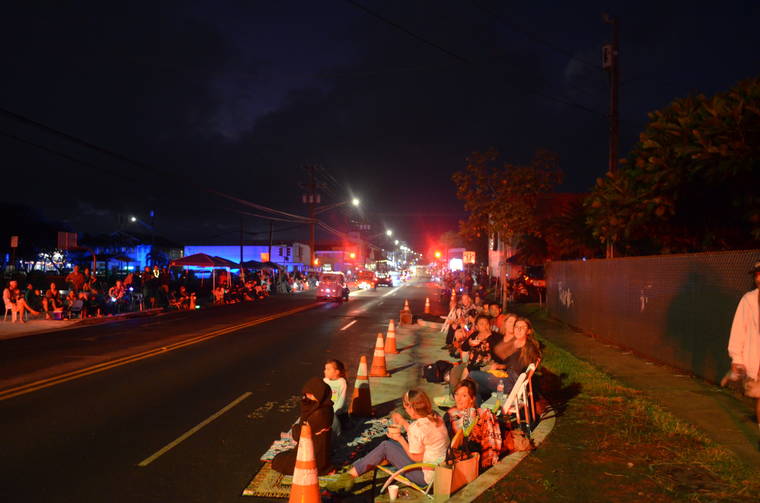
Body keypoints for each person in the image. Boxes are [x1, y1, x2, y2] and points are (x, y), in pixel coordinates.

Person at [328, 388, 448, 491]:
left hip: (425, 477)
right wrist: (402, 422)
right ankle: (362, 466)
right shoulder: (435, 416)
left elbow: (416, 457)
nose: (405, 409)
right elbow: (422, 436)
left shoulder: (416, 428)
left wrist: (400, 438)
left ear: (410, 407)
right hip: (440, 471)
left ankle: (349, 477)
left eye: (405, 406)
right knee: (389, 444)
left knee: (386, 446)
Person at [725, 261, 760, 441]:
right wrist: (737, 357)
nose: (758, 278)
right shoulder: (749, 299)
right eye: (756, 275)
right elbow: (739, 329)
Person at [468, 317, 542, 401]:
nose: (519, 329)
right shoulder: (514, 344)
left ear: (528, 331)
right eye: (517, 327)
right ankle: (480, 412)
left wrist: (501, 368)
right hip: (506, 378)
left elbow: (517, 369)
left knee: (472, 374)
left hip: (511, 384)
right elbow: (508, 363)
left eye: (523, 327)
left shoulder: (529, 348)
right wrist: (500, 366)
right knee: (474, 388)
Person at [272, 377, 334, 476]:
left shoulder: (320, 414)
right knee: (281, 457)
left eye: (311, 394)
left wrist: (295, 427)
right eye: (306, 394)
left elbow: (298, 436)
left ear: (319, 393)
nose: (307, 396)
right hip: (319, 453)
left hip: (313, 456)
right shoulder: (326, 406)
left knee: (277, 462)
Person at [444, 379, 502, 469]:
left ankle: (489, 458)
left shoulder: (480, 414)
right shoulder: (450, 415)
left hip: (471, 453)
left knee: (487, 414)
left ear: (472, 399)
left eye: (464, 396)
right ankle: (489, 458)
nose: (458, 399)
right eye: (456, 394)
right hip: (461, 453)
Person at [323, 359, 348, 437]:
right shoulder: (325, 381)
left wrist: (333, 412)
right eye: (325, 369)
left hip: (339, 413)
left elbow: (341, 400)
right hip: (327, 412)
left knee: (342, 431)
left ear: (337, 372)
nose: (325, 371)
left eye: (328, 369)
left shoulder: (342, 382)